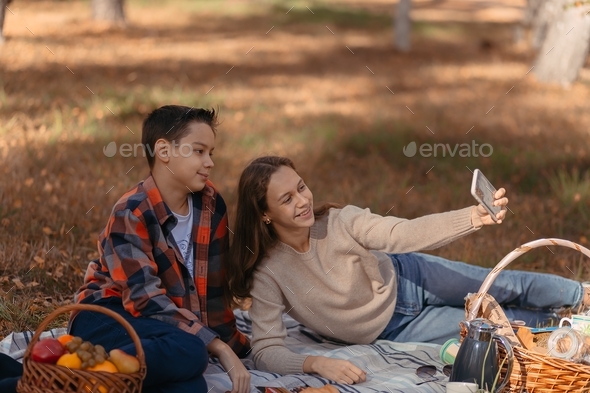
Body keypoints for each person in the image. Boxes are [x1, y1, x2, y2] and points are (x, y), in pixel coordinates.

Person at [226, 155, 590, 385]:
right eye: (286, 199)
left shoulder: (339, 221)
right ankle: (574, 333)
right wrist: (316, 363)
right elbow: (267, 350)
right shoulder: (268, 274)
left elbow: (402, 233)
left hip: (411, 277)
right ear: (264, 214)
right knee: (503, 326)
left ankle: (581, 296)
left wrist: (472, 217)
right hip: (397, 328)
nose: (303, 200)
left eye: (301, 187)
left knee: (504, 284)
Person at [69, 105, 251, 393]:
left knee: (192, 387)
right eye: (199, 151)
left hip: (163, 328)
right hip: (107, 315)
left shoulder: (212, 204)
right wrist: (217, 347)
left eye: (211, 153)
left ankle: (107, 381)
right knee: (192, 351)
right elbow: (144, 300)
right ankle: (65, 378)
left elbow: (214, 293)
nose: (209, 162)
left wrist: (237, 346)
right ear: (164, 152)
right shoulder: (131, 212)